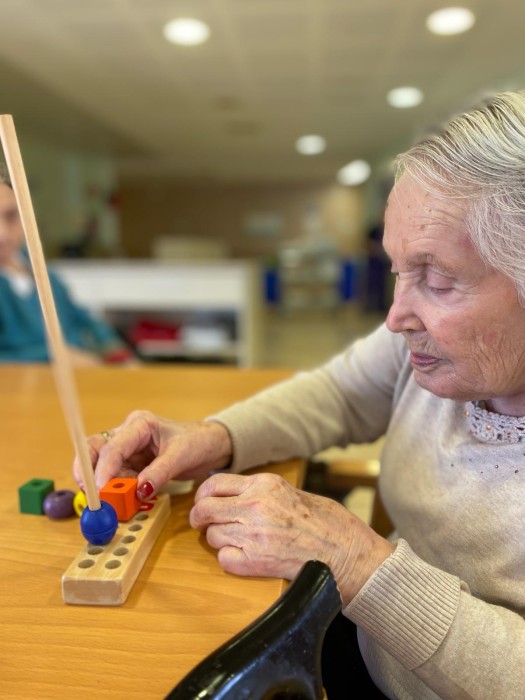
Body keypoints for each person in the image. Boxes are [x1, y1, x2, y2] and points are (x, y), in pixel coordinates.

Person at [74, 90, 525, 699]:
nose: (396, 317)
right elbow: (339, 392)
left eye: (438, 280)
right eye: (399, 272)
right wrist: (216, 436)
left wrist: (360, 561)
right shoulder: (432, 347)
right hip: (371, 643)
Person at [0, 169, 136, 365]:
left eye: (11, 216)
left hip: (80, 373)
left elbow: (81, 317)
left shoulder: (40, 270)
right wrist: (56, 355)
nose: (3, 233)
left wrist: (115, 349)